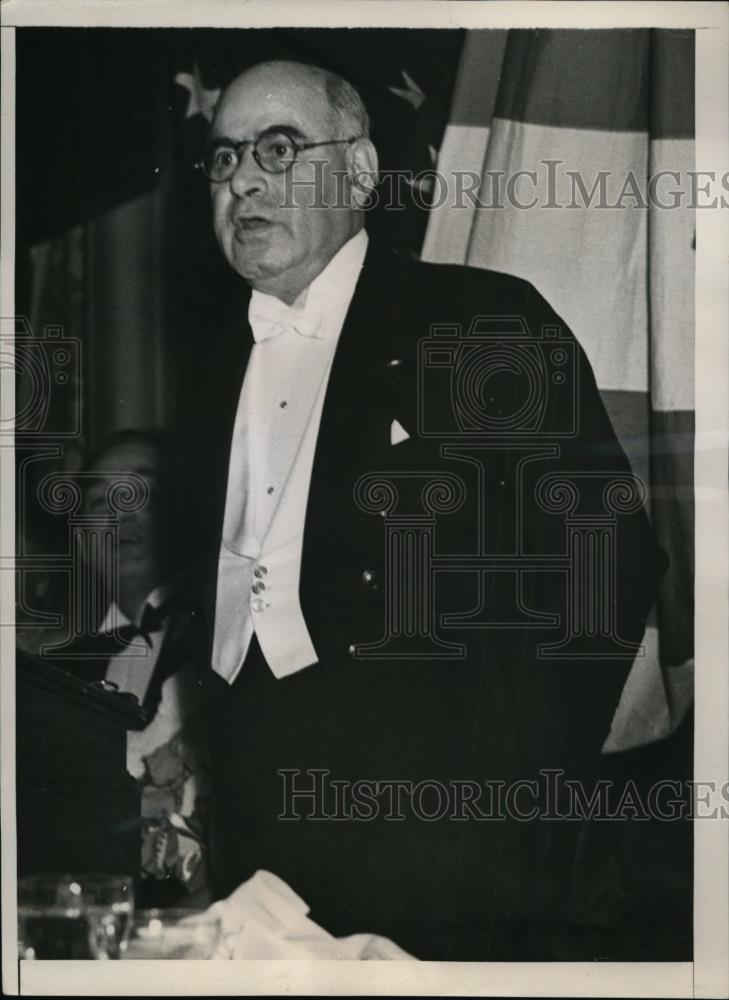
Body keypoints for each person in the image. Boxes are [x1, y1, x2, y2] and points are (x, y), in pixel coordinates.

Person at [175, 60, 668, 959]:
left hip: (457, 852)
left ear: (360, 170)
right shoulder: (209, 369)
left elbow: (607, 556)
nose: (242, 180)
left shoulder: (475, 323)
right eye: (223, 157)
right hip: (265, 849)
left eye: (278, 149)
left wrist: (522, 776)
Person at [51, 429, 211, 906]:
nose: (121, 511)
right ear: (81, 539)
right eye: (101, 500)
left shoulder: (224, 642)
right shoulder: (52, 672)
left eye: (145, 491)